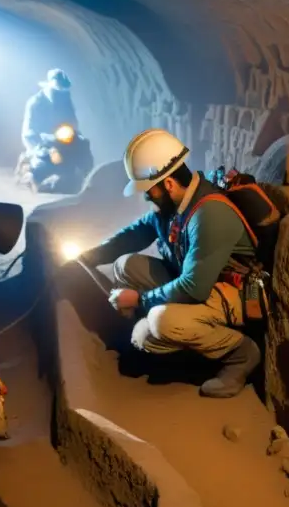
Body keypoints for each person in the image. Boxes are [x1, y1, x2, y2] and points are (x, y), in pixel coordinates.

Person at [77, 128, 261, 398]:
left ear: (169, 184)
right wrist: (91, 255)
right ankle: (176, 336)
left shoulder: (209, 214)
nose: (146, 196)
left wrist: (139, 300)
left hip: (231, 291)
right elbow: (137, 233)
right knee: (124, 265)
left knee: (158, 324)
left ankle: (240, 354)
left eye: (149, 190)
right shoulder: (174, 205)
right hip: (200, 281)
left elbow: (193, 288)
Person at [21, 69, 79, 154]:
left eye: (64, 92)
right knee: (40, 164)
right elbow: (28, 135)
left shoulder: (66, 103)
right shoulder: (35, 103)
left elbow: (74, 123)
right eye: (57, 91)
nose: (60, 95)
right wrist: (48, 141)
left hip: (64, 145)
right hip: (41, 148)